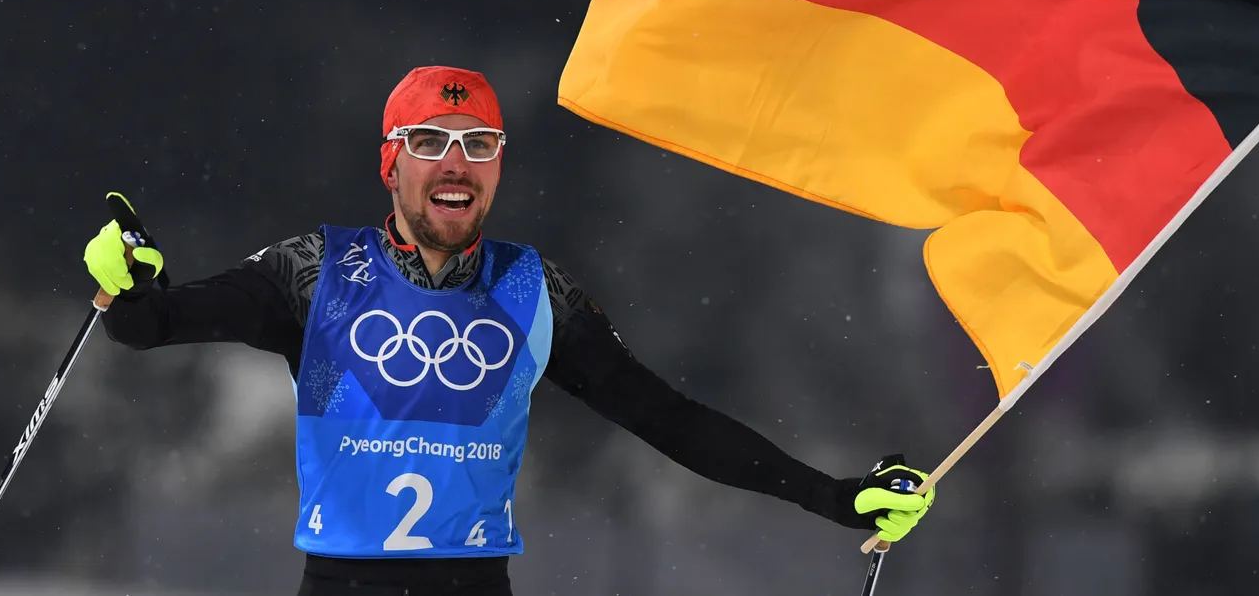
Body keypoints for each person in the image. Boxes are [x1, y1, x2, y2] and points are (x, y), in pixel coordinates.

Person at [84, 65, 935, 596]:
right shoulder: (316, 272)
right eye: (430, 141)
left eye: (478, 142)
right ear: (392, 163)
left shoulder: (536, 292)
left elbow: (668, 420)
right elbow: (152, 324)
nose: (455, 161)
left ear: (497, 166)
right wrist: (127, 283)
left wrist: (832, 495)